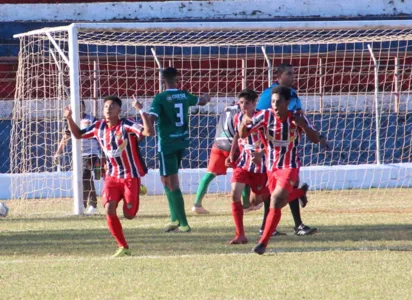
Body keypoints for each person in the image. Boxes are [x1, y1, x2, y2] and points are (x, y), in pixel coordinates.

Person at [65, 95, 154, 257]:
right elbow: (78, 134)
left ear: (119, 110)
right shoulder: (98, 126)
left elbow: (148, 132)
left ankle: (136, 189)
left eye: (112, 106)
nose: (108, 108)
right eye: (106, 106)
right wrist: (69, 118)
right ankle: (123, 246)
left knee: (129, 215)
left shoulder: (126, 125)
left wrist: (141, 111)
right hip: (112, 176)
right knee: (108, 208)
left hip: (130, 175)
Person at [239, 85, 320, 255]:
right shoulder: (265, 116)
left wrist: (304, 126)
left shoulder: (296, 117)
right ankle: (299, 193)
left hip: (289, 166)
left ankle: (263, 243)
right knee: (259, 201)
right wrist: (244, 122)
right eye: (273, 102)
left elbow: (315, 139)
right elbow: (243, 134)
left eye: (278, 102)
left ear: (287, 103)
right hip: (271, 168)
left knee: (275, 200)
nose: (275, 105)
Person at [257, 63, 328, 236]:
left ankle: (291, 225)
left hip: (290, 145)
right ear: (279, 76)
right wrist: (261, 147)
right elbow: (259, 119)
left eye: (293, 73)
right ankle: (274, 226)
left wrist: (317, 135)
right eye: (289, 74)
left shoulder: (292, 94)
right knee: (272, 192)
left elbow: (300, 117)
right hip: (272, 149)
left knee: (285, 187)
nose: (293, 76)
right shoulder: (270, 95)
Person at [149, 67, 211, 233]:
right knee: (165, 179)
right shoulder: (184, 95)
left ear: (162, 80)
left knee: (172, 181)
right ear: (178, 79)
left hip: (167, 145)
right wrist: (206, 97)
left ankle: (183, 223)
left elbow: (152, 117)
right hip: (182, 142)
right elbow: (202, 101)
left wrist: (145, 125)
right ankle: (174, 218)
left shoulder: (160, 98)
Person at [191, 101, 257, 214]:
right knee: (244, 173)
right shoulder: (242, 111)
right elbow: (239, 131)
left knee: (209, 174)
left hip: (218, 144)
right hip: (233, 146)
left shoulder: (225, 109)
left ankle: (197, 204)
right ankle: (246, 205)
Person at [226, 89, 269, 245]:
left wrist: (262, 152)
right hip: (243, 162)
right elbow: (237, 135)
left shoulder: (263, 117)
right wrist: (232, 153)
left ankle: (289, 193)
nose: (243, 106)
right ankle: (240, 235)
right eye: (241, 102)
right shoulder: (237, 117)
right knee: (234, 195)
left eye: (247, 103)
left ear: (254, 103)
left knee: (256, 200)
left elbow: (272, 140)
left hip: (260, 163)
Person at [54, 100, 101, 214]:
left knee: (85, 174)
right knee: (84, 178)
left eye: (81, 107)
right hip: (78, 155)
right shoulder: (71, 122)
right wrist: (58, 152)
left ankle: (87, 204)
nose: (79, 109)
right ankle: (89, 204)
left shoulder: (91, 120)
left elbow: (101, 135)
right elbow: (65, 137)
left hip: (91, 153)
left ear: (84, 107)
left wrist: (103, 155)